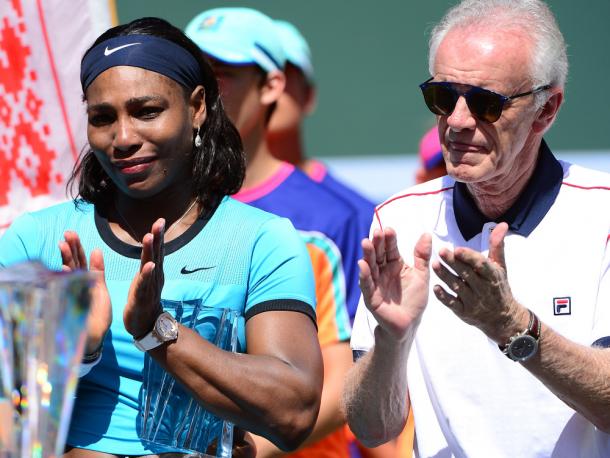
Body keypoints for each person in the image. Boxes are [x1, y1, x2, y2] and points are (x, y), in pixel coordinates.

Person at [0, 17, 323, 457]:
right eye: (102, 118)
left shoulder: (262, 242)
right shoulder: (34, 240)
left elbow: (294, 414)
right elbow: (11, 436)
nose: (123, 138)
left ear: (197, 107)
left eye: (146, 111)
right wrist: (76, 349)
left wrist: (158, 332)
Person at [343, 0, 610, 457]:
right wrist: (391, 338)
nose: (458, 121)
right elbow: (373, 429)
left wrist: (511, 326)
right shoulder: (399, 220)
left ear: (546, 111)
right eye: (443, 97)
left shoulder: (601, 214)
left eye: (487, 103)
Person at [185, 8, 359, 458]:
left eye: (221, 74)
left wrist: (252, 450)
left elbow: (352, 374)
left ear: (272, 86)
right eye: (189, 75)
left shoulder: (329, 218)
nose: (201, 94)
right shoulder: (155, 206)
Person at [266, 20, 376, 322]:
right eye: (253, 75)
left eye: (283, 73)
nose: (270, 88)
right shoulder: (186, 202)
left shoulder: (357, 215)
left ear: (309, 96)